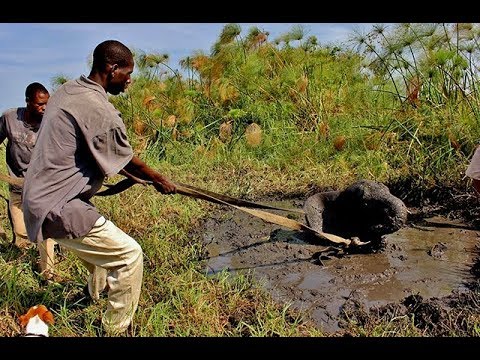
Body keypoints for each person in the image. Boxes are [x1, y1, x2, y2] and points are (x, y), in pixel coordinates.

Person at [22, 40, 177, 335]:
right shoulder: (98, 109)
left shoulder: (69, 90)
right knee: (129, 254)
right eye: (127, 73)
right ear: (112, 68)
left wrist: (139, 176)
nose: (129, 81)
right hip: (58, 204)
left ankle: (94, 296)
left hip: (45, 195)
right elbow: (126, 160)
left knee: (102, 255)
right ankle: (115, 329)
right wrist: (159, 180)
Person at [0, 82, 56, 279]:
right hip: (17, 186)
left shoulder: (51, 123)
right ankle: (22, 268)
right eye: (40, 104)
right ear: (28, 102)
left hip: (42, 187)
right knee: (21, 236)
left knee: (44, 233)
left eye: (47, 104)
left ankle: (47, 273)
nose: (44, 108)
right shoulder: (9, 118)